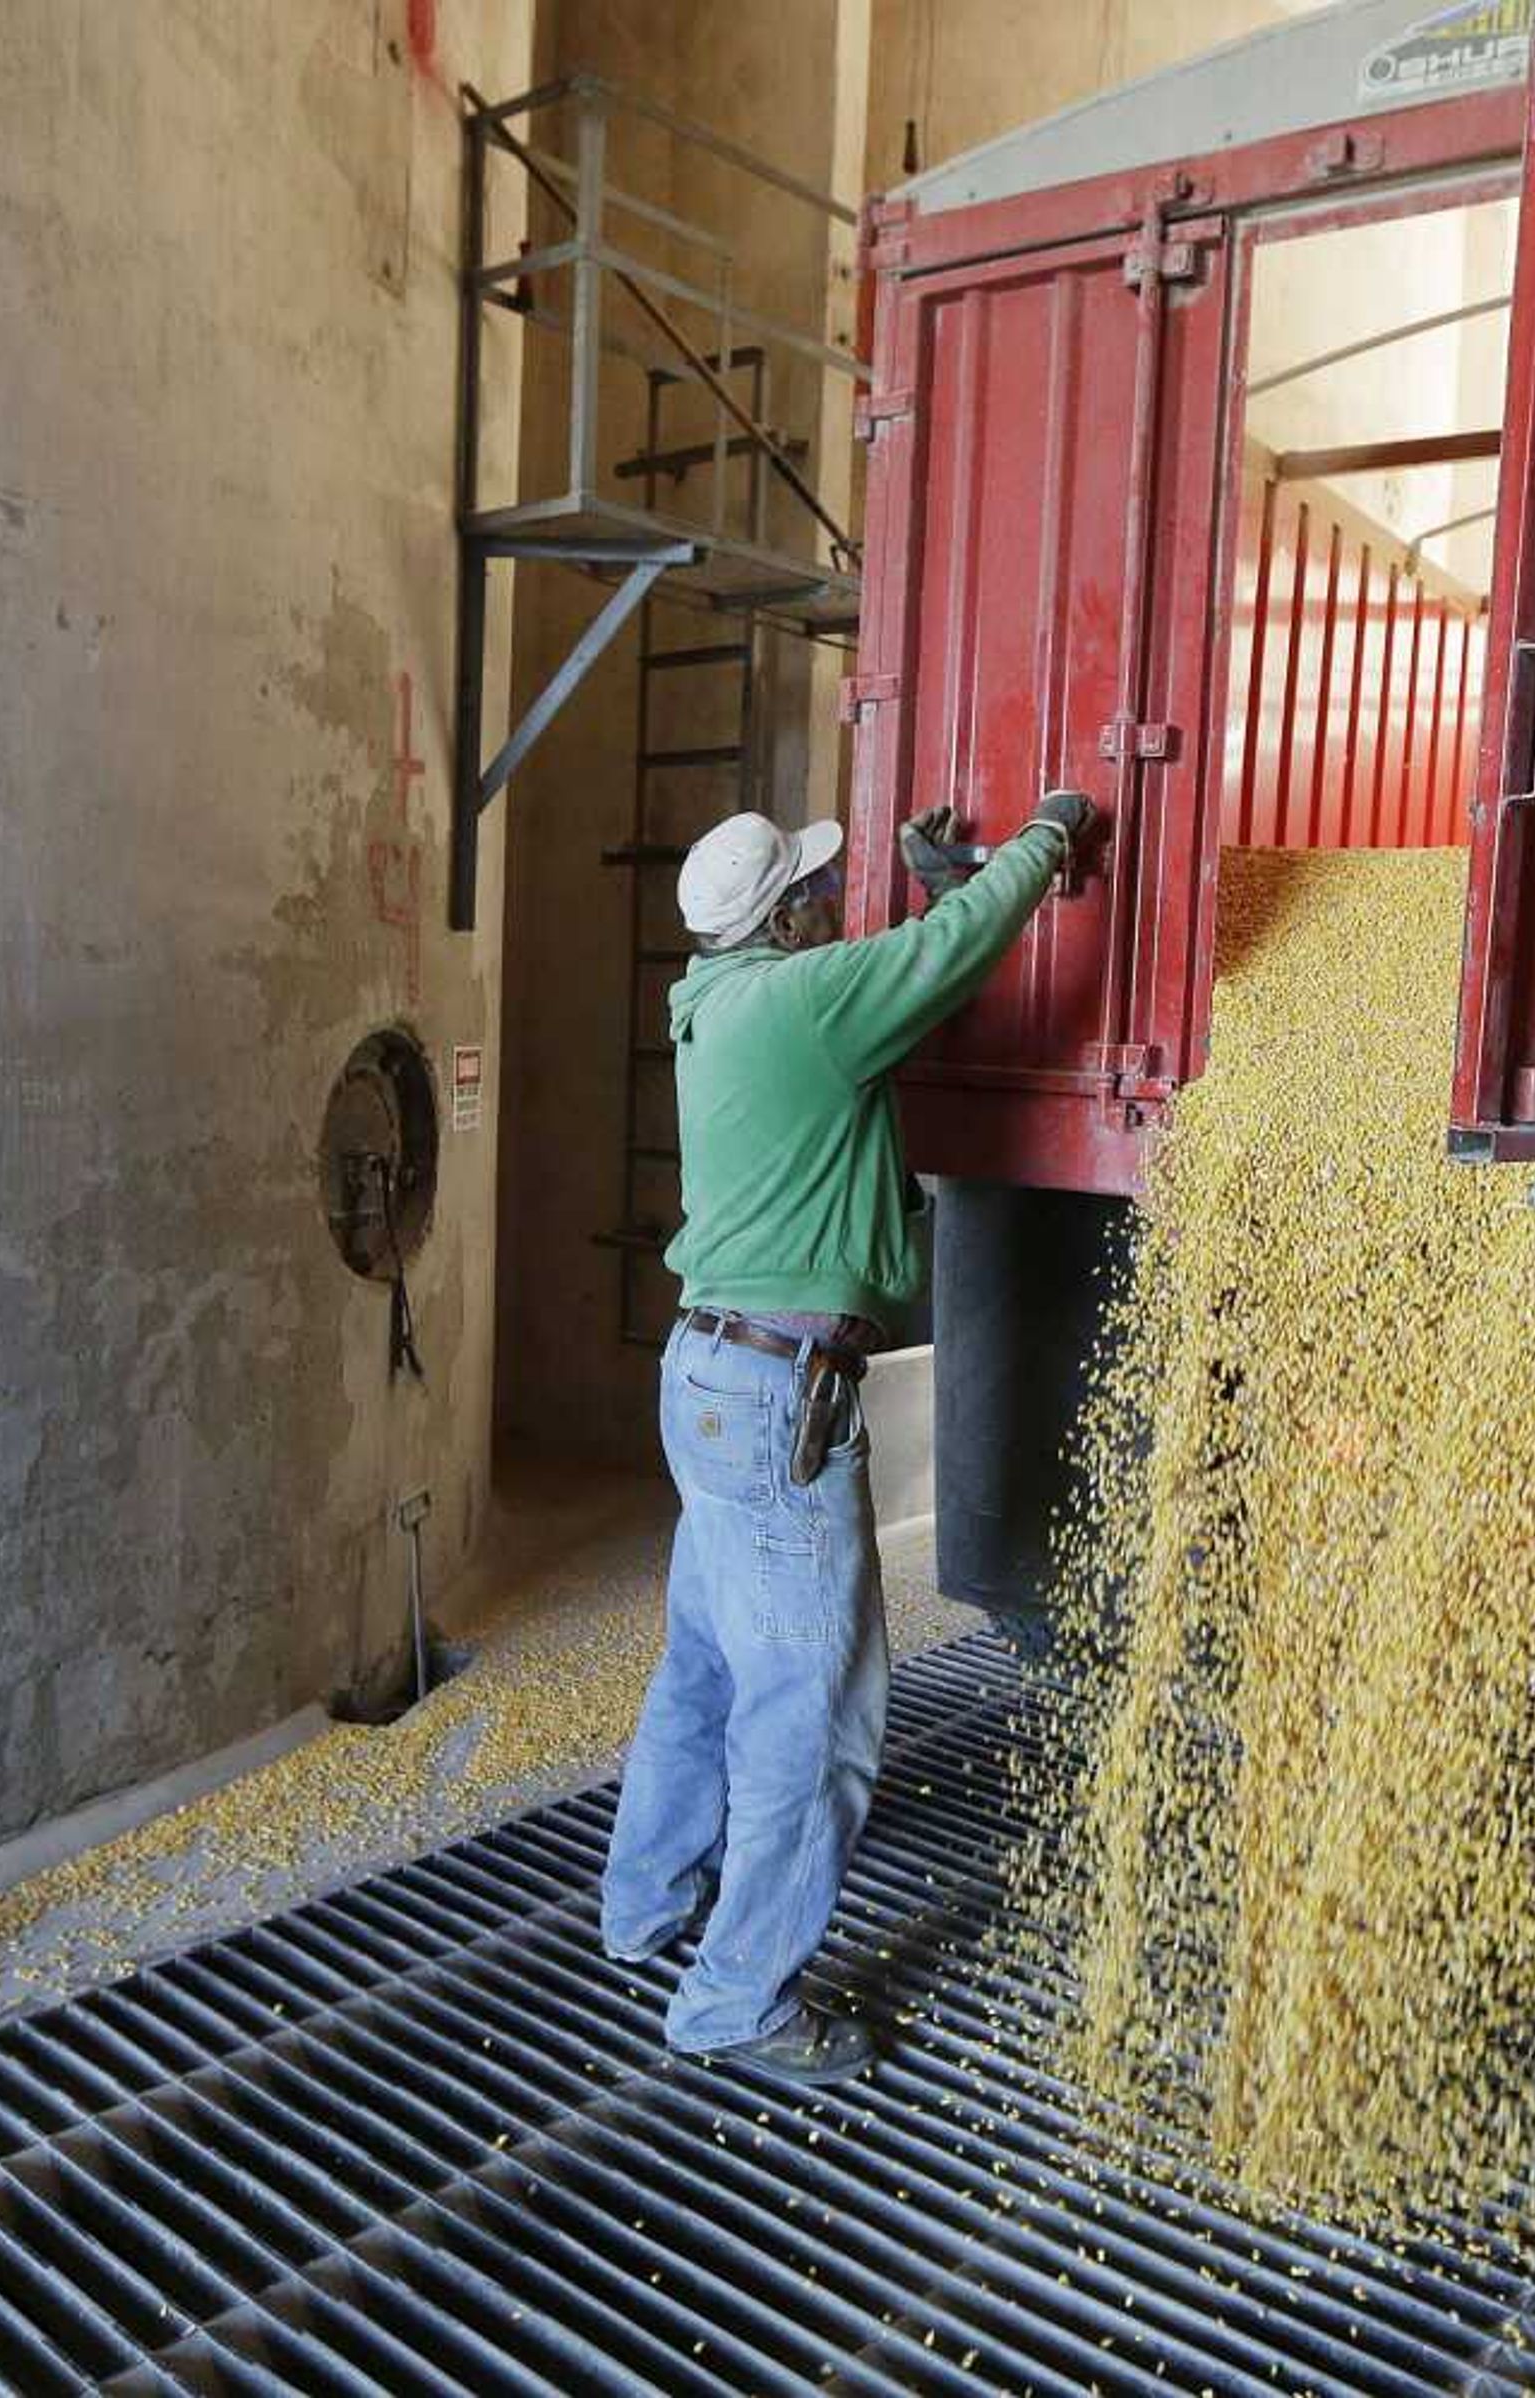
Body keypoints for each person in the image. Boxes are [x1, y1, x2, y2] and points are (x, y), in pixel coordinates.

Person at [597, 787, 1098, 2082]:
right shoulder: (803, 1006)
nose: (832, 899)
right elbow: (947, 960)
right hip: (777, 1402)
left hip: (707, 1377)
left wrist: (932, 886)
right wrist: (1043, 841)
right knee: (814, 1712)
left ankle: (643, 1905)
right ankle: (733, 2001)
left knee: (704, 1662)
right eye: (816, 888)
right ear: (787, 916)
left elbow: (899, 986)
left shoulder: (712, 1007)